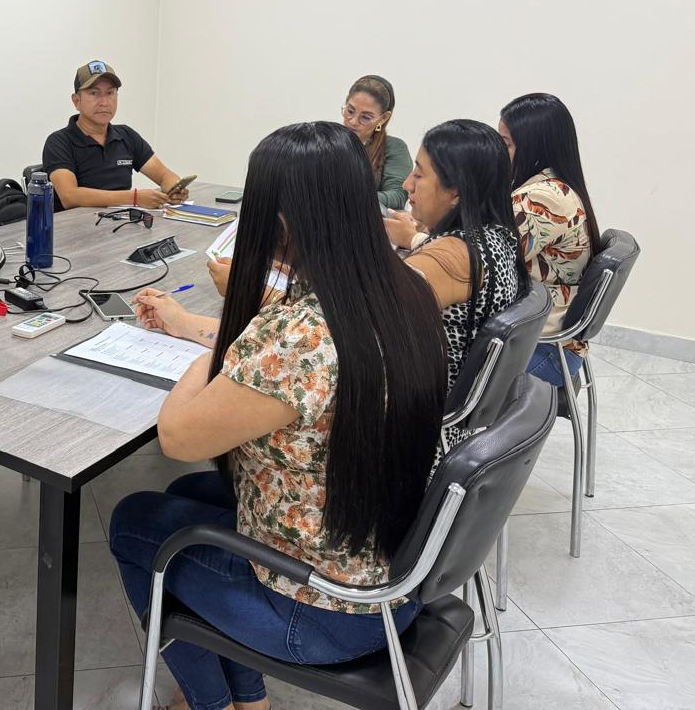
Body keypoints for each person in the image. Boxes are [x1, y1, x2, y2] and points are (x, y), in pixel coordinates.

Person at [110, 122, 447, 710]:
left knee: (132, 521)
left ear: (283, 223)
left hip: (324, 613)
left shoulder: (301, 335)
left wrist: (220, 348)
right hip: (388, 571)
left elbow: (178, 437)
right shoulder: (406, 289)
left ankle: (214, 703)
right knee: (191, 493)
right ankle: (248, 700)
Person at [384, 120, 528, 445]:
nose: (407, 185)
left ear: (457, 192)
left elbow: (367, 324)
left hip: (415, 436)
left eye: (419, 174)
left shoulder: (452, 257)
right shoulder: (497, 236)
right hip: (453, 428)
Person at [499, 93, 601, 386]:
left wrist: (416, 237)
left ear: (533, 147)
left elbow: (484, 261)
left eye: (505, 144)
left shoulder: (544, 198)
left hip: (544, 351)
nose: (497, 153)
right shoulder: (550, 186)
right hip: (542, 339)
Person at [41, 60, 191, 211]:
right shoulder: (59, 142)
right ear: (76, 101)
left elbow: (164, 175)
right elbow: (70, 196)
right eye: (94, 93)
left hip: (121, 221)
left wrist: (174, 188)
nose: (104, 102)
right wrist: (134, 198)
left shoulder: (126, 135)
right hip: (76, 224)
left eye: (110, 93)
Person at [341, 75, 412, 211]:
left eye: (365, 117)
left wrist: (352, 198)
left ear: (383, 118)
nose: (353, 121)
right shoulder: (328, 142)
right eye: (350, 111)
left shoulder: (393, 148)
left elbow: (397, 196)